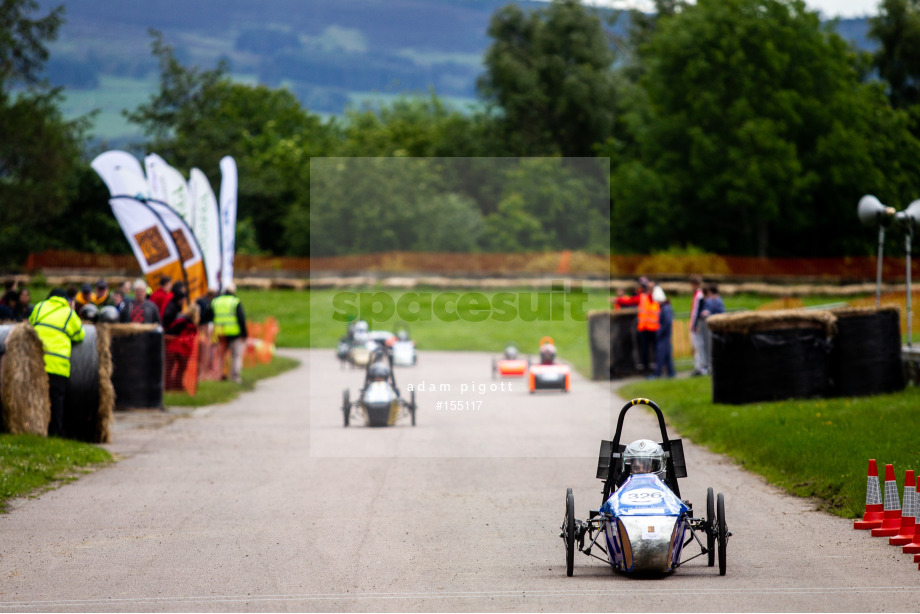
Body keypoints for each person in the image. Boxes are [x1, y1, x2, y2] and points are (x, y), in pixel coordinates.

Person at [29, 288, 85, 438]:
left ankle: (35, 430)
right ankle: (56, 432)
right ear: (66, 300)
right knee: (56, 400)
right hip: (57, 364)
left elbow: (30, 326)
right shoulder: (68, 313)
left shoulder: (39, 306)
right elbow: (79, 335)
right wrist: (72, 311)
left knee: (36, 397)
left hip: (36, 362)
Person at [212, 283, 248, 384]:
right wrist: (244, 334)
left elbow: (209, 315)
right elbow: (241, 319)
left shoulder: (216, 301)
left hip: (219, 333)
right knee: (236, 355)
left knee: (220, 355)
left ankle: (219, 374)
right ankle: (235, 377)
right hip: (234, 333)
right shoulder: (235, 302)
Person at [165, 301, 200, 390]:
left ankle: (168, 386)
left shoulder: (180, 320)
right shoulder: (190, 324)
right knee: (180, 368)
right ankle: (177, 386)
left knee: (169, 368)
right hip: (183, 349)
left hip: (172, 347)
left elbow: (170, 331)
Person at [697, 284, 726, 374]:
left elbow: (721, 313)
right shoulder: (712, 300)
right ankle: (710, 366)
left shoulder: (717, 301)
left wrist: (709, 314)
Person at [650, 285, 675, 378]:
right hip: (665, 334)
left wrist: (660, 331)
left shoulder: (665, 309)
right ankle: (671, 373)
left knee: (660, 354)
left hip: (664, 335)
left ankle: (658, 373)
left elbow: (667, 323)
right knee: (667, 355)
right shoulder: (666, 307)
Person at [688, 275, 708, 376]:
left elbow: (697, 311)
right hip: (694, 323)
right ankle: (699, 365)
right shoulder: (697, 294)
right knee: (696, 346)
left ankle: (701, 366)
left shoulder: (699, 295)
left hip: (697, 324)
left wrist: (695, 324)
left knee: (699, 345)